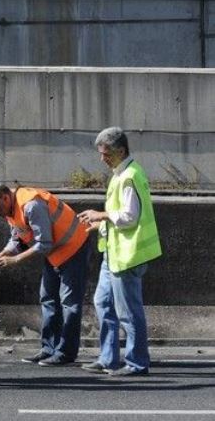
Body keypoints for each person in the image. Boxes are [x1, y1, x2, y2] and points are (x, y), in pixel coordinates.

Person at [77, 126, 162, 377]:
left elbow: (129, 217)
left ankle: (137, 363)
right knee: (103, 302)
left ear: (121, 150)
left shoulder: (128, 176)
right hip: (114, 254)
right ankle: (108, 358)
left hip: (127, 255)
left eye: (106, 153)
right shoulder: (121, 173)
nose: (102, 158)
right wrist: (100, 224)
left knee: (128, 312)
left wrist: (100, 214)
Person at [0, 183, 90, 366]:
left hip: (74, 247)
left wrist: (16, 259)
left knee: (69, 303)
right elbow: (17, 238)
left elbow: (44, 244)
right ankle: (49, 348)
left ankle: (66, 352)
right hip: (56, 252)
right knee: (48, 298)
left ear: (4, 197)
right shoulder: (11, 209)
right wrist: (3, 254)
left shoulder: (31, 205)